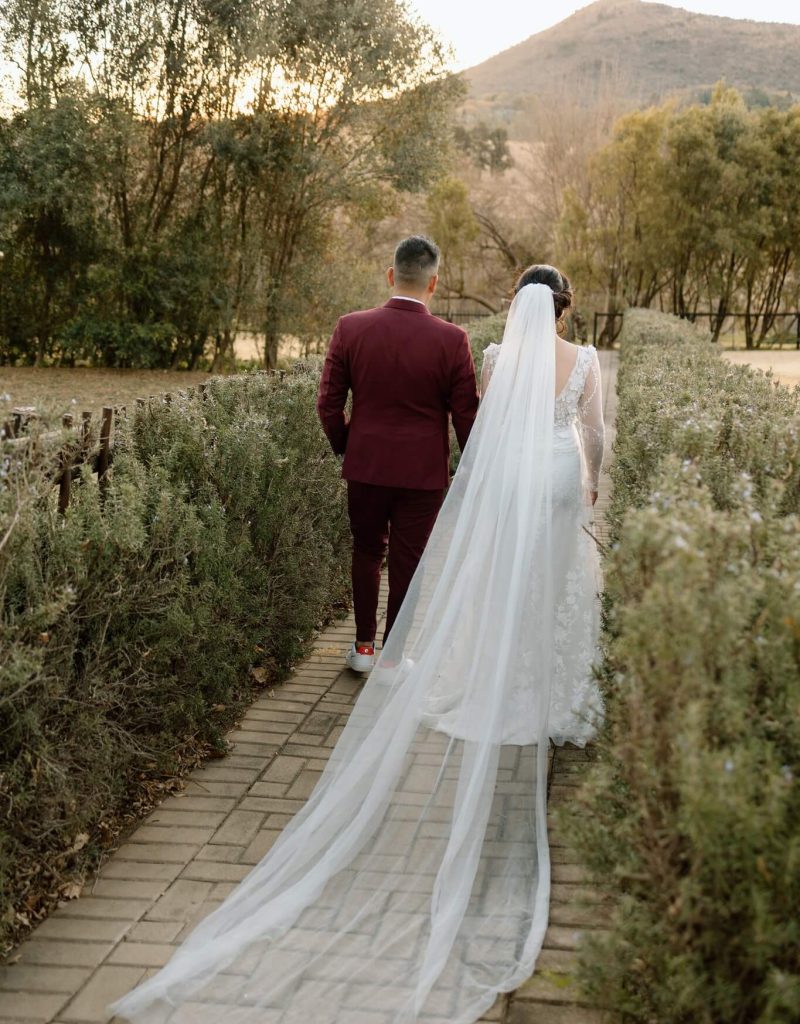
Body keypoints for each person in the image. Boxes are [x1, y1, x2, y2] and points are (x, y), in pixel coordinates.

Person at [110, 265, 605, 1024]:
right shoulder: (579, 359)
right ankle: (549, 686)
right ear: (565, 309)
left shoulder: (494, 354)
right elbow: (591, 432)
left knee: (484, 575)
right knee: (552, 577)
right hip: (555, 474)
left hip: (499, 475)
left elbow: (477, 424)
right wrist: (591, 480)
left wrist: (472, 485)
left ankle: (466, 669)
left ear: (517, 306)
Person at [316, 235, 480, 674]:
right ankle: (391, 660)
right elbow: (467, 416)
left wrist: (347, 445)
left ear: (391, 275)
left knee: (366, 552)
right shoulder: (453, 339)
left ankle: (363, 650)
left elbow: (328, 403)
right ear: (434, 282)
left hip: (366, 466)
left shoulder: (350, 327)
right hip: (423, 475)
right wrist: (472, 468)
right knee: (410, 562)